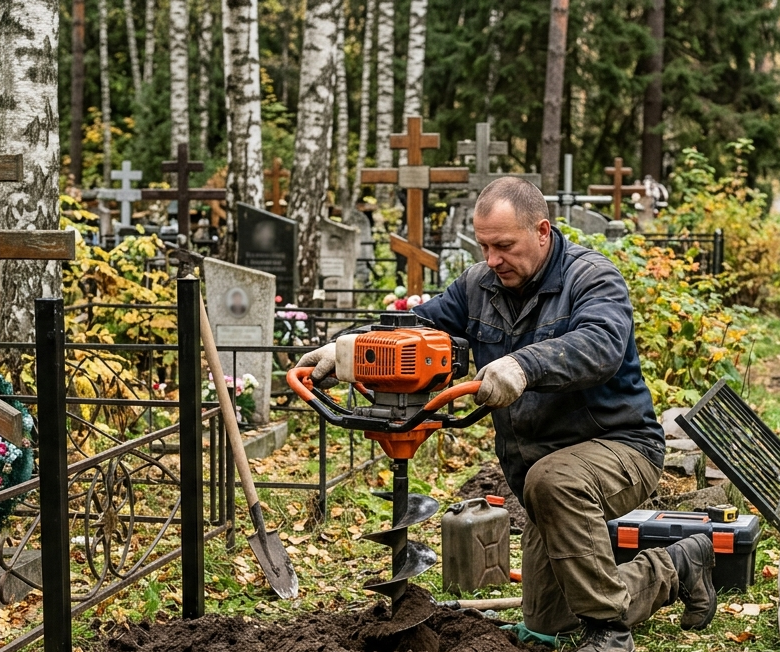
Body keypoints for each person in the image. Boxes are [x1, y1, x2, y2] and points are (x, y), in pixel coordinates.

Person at [296, 178, 717, 651]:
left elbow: (602, 345)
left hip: (621, 449)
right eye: (484, 246)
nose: (492, 259)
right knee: (549, 624)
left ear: (542, 231)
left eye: (504, 246)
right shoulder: (479, 286)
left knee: (556, 486)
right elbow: (418, 326)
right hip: (537, 473)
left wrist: (524, 364)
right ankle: (680, 565)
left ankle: (610, 633)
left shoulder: (591, 278)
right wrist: (349, 348)